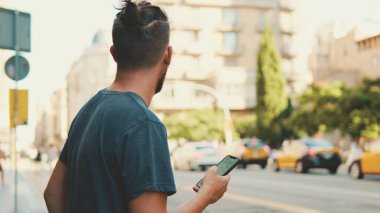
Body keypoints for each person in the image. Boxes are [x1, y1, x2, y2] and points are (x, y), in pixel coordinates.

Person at [44, 0, 230, 212]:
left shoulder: (88, 110)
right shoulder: (143, 124)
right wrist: (205, 196)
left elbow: (52, 195)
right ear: (168, 55)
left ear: (114, 54)